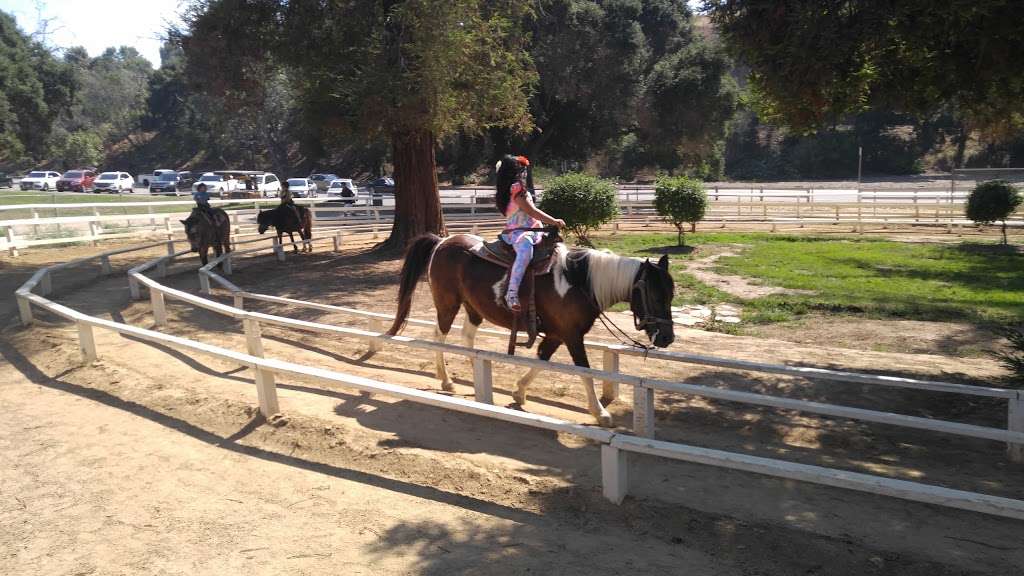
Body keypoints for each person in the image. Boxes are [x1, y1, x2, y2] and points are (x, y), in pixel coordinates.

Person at [495, 155, 564, 312]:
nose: (525, 173)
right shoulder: (516, 189)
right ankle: (511, 294)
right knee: (525, 252)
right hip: (520, 232)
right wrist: (554, 221)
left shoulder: (508, 190)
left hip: (535, 229)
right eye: (522, 170)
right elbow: (531, 211)